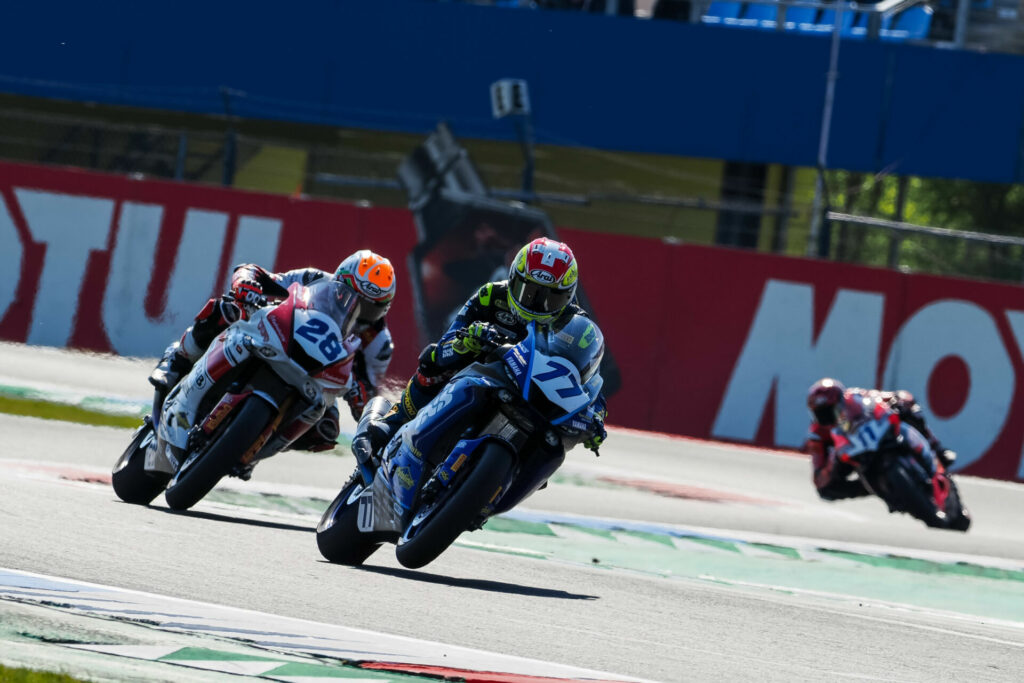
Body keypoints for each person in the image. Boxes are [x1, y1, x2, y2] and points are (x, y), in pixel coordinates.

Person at [352, 237, 607, 481]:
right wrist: (466, 343)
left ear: (568, 296)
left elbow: (589, 382)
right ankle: (395, 422)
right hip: (481, 375)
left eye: (549, 298)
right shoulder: (490, 296)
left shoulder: (576, 328)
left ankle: (502, 485)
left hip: (532, 397)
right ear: (513, 278)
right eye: (528, 292)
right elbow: (442, 349)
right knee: (431, 363)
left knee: (551, 443)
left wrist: (596, 415)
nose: (536, 305)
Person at [149, 250, 397, 455]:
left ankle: (253, 450)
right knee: (227, 309)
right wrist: (245, 284)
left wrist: (359, 396)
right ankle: (176, 361)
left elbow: (369, 396)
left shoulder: (379, 343)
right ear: (338, 283)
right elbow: (260, 274)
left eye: (369, 308)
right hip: (279, 338)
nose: (357, 311)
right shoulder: (314, 278)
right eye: (352, 299)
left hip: (320, 379)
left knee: (327, 431)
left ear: (383, 310)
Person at [804, 378, 956, 501]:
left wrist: (899, 399)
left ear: (841, 402)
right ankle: (878, 488)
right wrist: (832, 460)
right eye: (821, 415)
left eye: (831, 411)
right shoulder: (817, 435)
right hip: (851, 454)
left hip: (876, 434)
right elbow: (819, 478)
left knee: (907, 410)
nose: (828, 418)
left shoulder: (855, 397)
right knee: (826, 490)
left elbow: (886, 397)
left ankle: (936, 448)